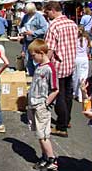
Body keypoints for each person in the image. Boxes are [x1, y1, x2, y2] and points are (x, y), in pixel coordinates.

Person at [44, 1, 78, 137]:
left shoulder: (54, 26)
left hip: (58, 65)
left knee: (59, 95)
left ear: (52, 10)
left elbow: (50, 49)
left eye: (47, 12)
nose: (47, 16)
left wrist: (44, 65)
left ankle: (61, 126)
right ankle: (67, 120)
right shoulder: (72, 23)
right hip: (70, 63)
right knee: (67, 94)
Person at [27, 39, 59, 171]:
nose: (33, 58)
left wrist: (46, 103)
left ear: (41, 53)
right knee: (38, 133)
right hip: (34, 103)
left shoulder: (49, 68)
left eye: (34, 55)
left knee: (43, 134)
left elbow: (55, 89)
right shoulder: (39, 66)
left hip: (41, 104)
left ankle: (52, 159)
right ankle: (45, 156)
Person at [19, 3, 48, 76]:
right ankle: (31, 74)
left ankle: (37, 74)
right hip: (27, 40)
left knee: (36, 58)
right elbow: (21, 25)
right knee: (28, 58)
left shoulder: (39, 17)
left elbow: (45, 29)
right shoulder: (25, 17)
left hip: (36, 40)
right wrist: (22, 31)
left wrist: (33, 33)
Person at [73, 26, 91, 103]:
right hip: (85, 59)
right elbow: (89, 48)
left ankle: (76, 93)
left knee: (76, 76)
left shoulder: (75, 40)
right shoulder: (86, 39)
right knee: (83, 76)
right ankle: (82, 94)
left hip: (77, 58)